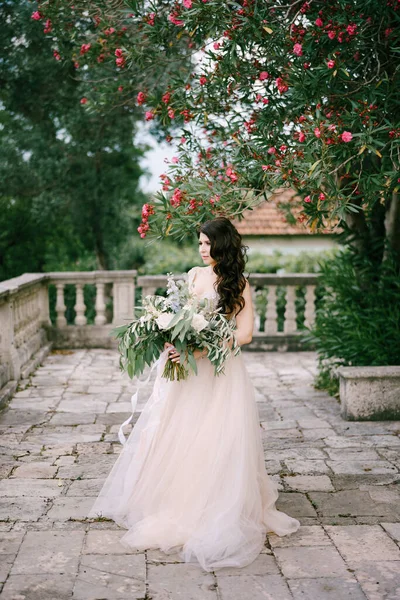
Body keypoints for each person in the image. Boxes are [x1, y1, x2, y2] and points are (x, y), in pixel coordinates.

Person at [88, 216, 300, 571]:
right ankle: (178, 502)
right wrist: (173, 341)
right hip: (187, 371)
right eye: (199, 243)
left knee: (216, 437)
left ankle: (216, 506)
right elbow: (179, 315)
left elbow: (245, 334)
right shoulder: (192, 275)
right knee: (181, 432)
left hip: (219, 371)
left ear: (223, 246)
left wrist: (205, 347)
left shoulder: (239, 284)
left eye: (207, 243)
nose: (202, 250)